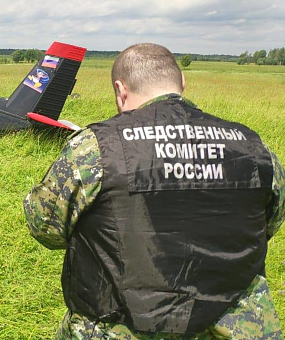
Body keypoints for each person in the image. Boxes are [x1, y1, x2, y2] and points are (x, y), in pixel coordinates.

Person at [24, 43, 284, 339]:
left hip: (118, 324)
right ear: (182, 84)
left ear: (120, 90)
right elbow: (270, 222)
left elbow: (44, 225)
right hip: (236, 327)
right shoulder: (252, 146)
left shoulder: (97, 147)